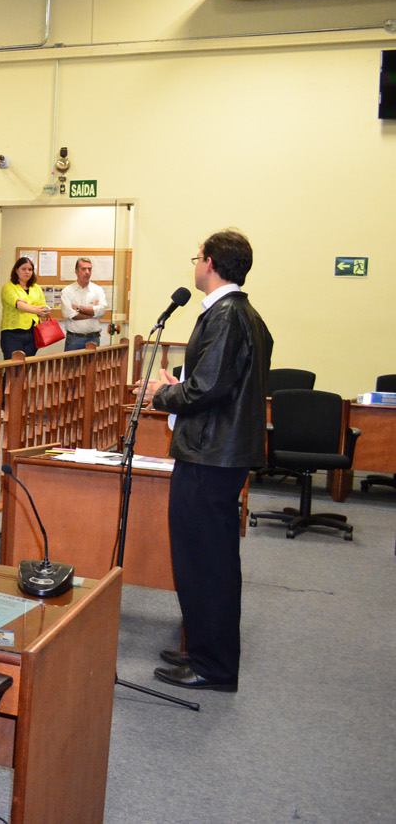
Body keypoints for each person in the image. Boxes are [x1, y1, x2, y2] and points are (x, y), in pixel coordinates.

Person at [143, 230, 272, 693]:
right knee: (204, 558)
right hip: (217, 451)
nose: (194, 265)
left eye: (197, 257)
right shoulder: (242, 314)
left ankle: (213, 665)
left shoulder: (227, 315)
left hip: (211, 454)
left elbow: (207, 389)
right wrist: (178, 381)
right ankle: (202, 646)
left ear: (211, 263)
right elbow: (218, 381)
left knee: (206, 562)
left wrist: (163, 394)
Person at [0, 256, 50, 360]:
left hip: (32, 333)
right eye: (24, 269)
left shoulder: (36, 288)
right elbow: (19, 305)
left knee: (25, 368)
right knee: (13, 368)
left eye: (30, 269)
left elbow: (43, 308)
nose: (27, 272)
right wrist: (34, 309)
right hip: (12, 334)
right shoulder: (9, 287)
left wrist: (28, 306)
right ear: (17, 270)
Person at [59, 256, 108, 351]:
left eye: (89, 269)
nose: (87, 272)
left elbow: (101, 311)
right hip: (74, 339)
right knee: (72, 366)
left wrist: (78, 308)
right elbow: (68, 314)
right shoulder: (67, 291)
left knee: (93, 366)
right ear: (76, 272)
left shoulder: (98, 290)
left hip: (93, 338)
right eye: (84, 269)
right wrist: (93, 312)